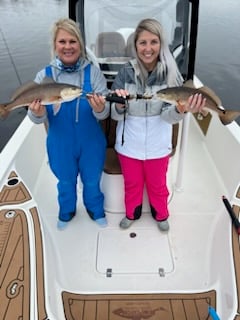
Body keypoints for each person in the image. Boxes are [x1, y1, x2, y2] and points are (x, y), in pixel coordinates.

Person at [111, 18, 206, 232]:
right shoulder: (124, 73)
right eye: (142, 43)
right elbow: (114, 115)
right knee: (132, 184)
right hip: (129, 145)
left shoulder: (171, 74)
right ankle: (131, 213)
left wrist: (180, 110)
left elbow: (167, 116)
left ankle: (161, 214)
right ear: (135, 45)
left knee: (157, 185)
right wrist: (120, 106)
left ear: (161, 44)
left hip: (158, 145)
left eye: (153, 42)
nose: (148, 48)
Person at [28, 18, 109, 229]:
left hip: (91, 140)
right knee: (65, 181)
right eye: (62, 41)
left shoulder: (94, 73)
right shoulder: (44, 76)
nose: (67, 46)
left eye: (72, 41)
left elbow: (104, 114)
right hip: (59, 141)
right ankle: (67, 211)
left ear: (80, 45)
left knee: (92, 180)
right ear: (55, 45)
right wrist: (36, 113)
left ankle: (95, 209)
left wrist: (100, 108)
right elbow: (36, 118)